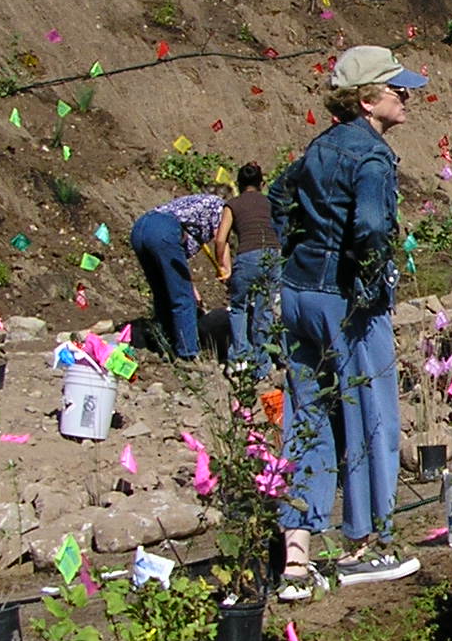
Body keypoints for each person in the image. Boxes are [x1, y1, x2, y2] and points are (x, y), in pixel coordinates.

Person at [266, 45, 426, 599]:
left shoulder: (320, 146)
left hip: (299, 292)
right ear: (366, 100)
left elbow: (278, 195)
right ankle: (369, 543)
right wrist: (369, 283)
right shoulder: (373, 157)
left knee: (306, 416)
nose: (406, 96)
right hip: (345, 303)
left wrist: (295, 250)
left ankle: (295, 557)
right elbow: (373, 225)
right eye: (396, 89)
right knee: (371, 415)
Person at [130, 191, 225, 360]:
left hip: (140, 229)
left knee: (163, 292)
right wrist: (226, 270)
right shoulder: (220, 206)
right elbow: (221, 240)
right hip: (162, 230)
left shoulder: (192, 208)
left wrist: (193, 291)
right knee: (182, 297)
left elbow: (177, 268)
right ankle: (188, 352)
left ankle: (165, 342)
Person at [215, 162, 281, 371]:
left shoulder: (232, 205)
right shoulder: (270, 202)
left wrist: (223, 266)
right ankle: (263, 363)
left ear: (238, 183)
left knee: (239, 307)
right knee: (265, 309)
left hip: (248, 255)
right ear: (262, 183)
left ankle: (240, 358)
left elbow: (220, 240)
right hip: (273, 255)